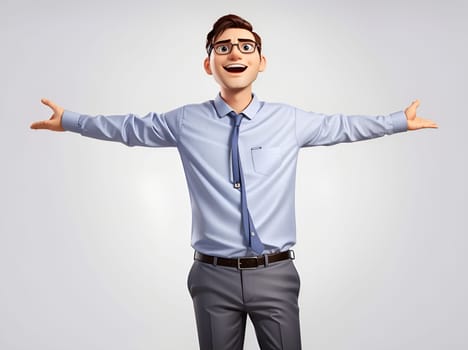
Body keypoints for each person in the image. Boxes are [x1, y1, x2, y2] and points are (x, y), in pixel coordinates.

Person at [30, 13, 437, 350]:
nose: (235, 53)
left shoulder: (289, 121)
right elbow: (130, 128)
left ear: (261, 61)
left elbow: (344, 126)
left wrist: (399, 121)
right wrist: (69, 120)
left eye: (246, 46)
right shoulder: (186, 121)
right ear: (209, 64)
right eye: (223, 47)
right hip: (212, 278)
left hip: (274, 274)